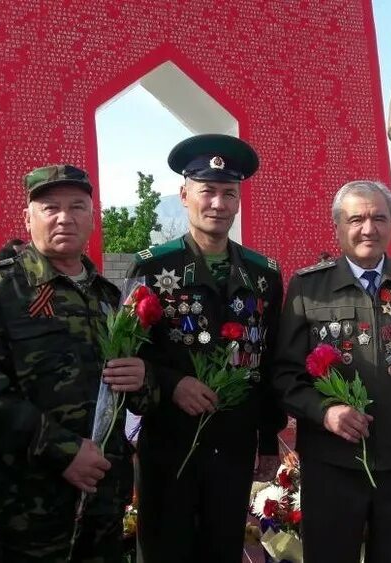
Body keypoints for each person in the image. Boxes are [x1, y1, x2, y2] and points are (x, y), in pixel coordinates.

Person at [0, 164, 151, 561]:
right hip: (30, 498)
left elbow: (130, 395)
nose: (65, 217)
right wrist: (64, 450)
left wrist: (142, 378)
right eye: (50, 207)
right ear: (27, 218)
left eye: (77, 207)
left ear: (92, 217)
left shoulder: (108, 295)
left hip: (104, 491)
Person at [274, 180, 391, 563]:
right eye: (356, 218)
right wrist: (324, 412)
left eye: (379, 218)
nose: (368, 228)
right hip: (332, 463)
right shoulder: (309, 287)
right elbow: (283, 375)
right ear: (338, 227)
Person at [126, 134, 286, 563]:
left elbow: (268, 360)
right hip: (169, 442)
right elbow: (127, 356)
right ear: (184, 195)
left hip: (233, 445)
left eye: (228, 193)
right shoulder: (152, 266)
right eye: (207, 192)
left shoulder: (263, 273)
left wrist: (268, 440)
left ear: (238, 201)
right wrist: (173, 383)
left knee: (223, 549)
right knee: (165, 549)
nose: (217, 203)